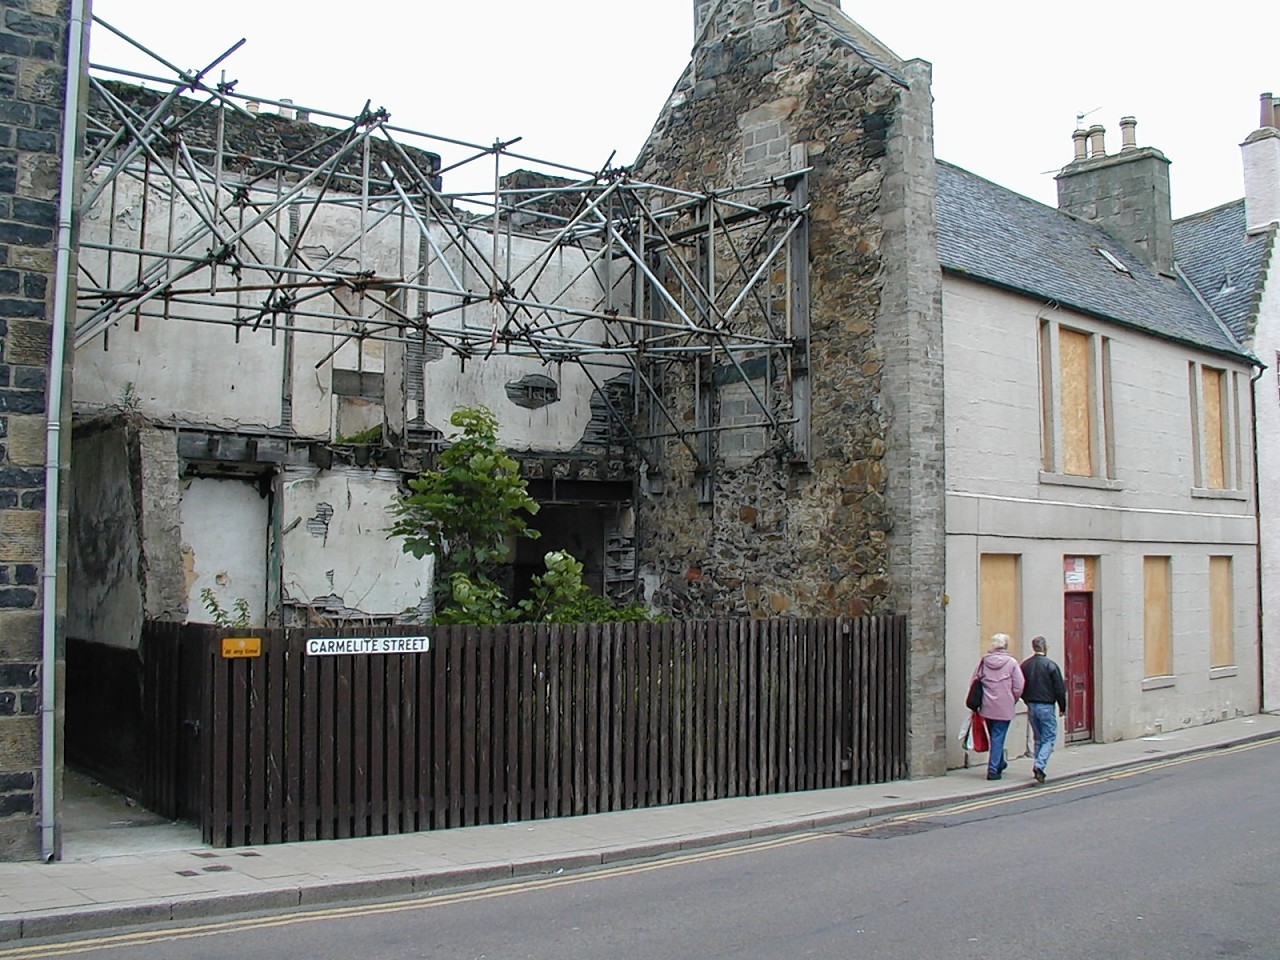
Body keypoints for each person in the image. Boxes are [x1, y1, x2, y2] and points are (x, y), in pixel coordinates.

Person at [971, 634, 1024, 780]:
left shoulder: (984, 661)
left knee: (994, 736)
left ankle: (1000, 762)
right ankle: (993, 769)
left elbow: (975, 680)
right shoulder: (1012, 663)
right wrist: (1012, 698)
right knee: (998, 736)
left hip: (987, 705)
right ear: (1006, 645)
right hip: (1004, 706)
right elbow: (1019, 685)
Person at [1020, 635, 1068, 784]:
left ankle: (1037, 762)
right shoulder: (1051, 665)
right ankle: (1039, 765)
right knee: (1049, 737)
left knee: (1038, 737)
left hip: (1031, 705)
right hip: (1046, 705)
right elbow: (1059, 689)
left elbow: (1020, 685)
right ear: (1045, 648)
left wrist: (1026, 700)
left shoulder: (1025, 665)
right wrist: (1062, 707)